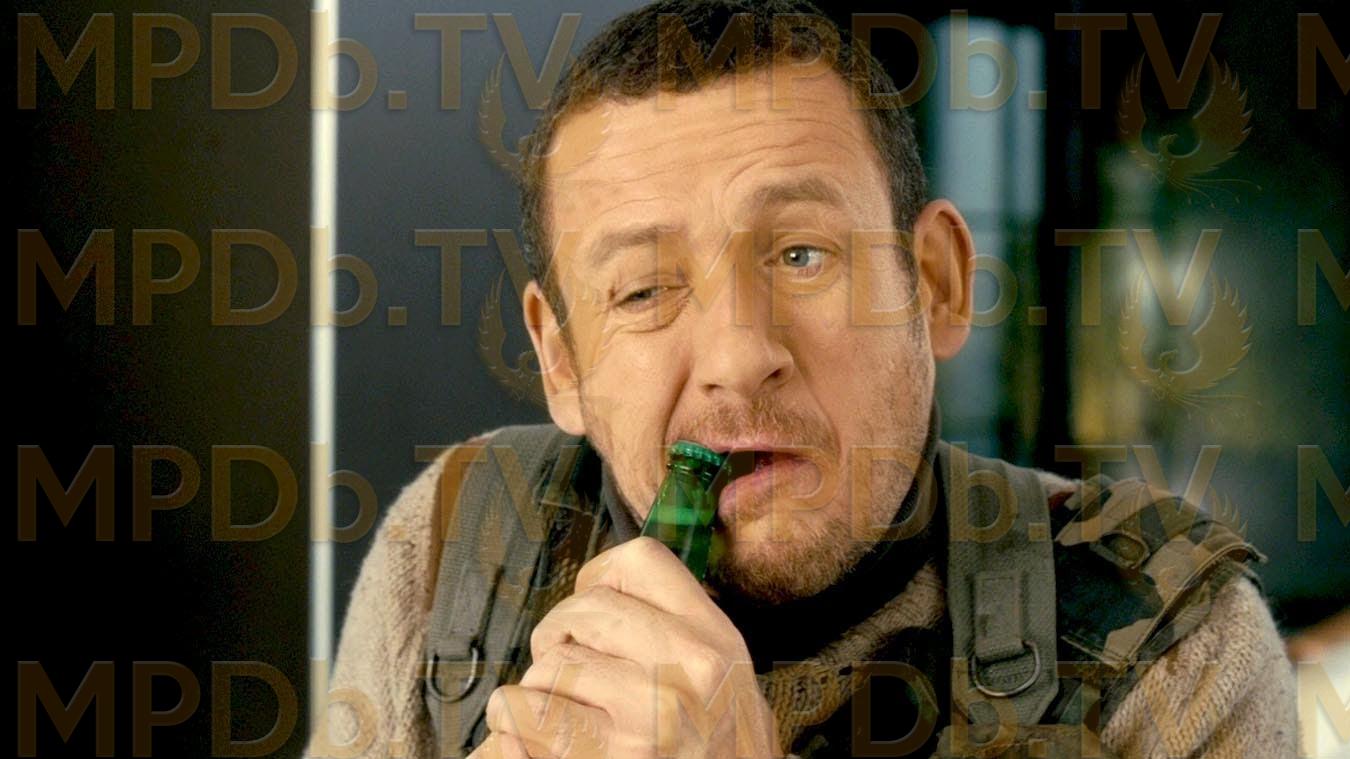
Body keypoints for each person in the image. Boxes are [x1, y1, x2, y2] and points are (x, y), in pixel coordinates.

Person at [306, 1, 1297, 757]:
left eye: (801, 255)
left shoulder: (1170, 642)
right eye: (644, 288)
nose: (740, 357)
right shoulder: (457, 548)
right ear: (561, 362)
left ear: (938, 284)